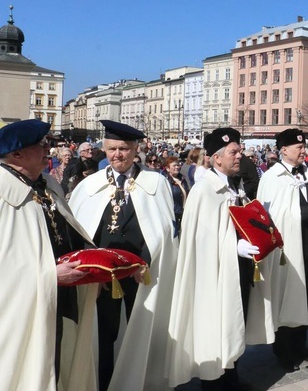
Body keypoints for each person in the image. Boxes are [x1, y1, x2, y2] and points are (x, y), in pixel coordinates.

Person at [69, 120, 178, 391]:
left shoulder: (155, 182)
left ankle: (139, 381)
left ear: (136, 149)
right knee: (103, 333)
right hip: (100, 277)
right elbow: (78, 231)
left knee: (141, 330)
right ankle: (103, 382)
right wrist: (92, 270)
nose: (118, 155)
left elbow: (164, 229)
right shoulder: (89, 185)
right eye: (112, 149)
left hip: (141, 274)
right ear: (104, 150)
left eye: (125, 149)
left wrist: (145, 263)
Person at [0, 119, 98, 390]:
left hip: (62, 297)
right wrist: (47, 276)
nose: (48, 149)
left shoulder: (48, 186)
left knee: (59, 363)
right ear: (16, 154)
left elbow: (71, 233)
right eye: (41, 145)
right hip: (19, 308)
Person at [167, 127, 262, 389]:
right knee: (217, 323)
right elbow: (201, 240)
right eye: (234, 152)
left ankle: (231, 376)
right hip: (215, 273)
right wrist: (234, 246)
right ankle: (214, 382)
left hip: (239, 268)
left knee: (234, 322)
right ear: (216, 158)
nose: (240, 155)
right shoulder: (205, 190)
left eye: (240, 150)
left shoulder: (236, 185)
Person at [256, 128, 308, 371]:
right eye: (298, 148)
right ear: (284, 150)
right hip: (287, 249)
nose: (303, 151)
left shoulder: (307, 173)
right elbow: (272, 216)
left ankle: (300, 344)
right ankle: (284, 350)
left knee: (305, 293)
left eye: (304, 147)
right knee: (287, 296)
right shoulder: (273, 177)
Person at [162, 156, 189, 236]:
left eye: (178, 165)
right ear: (167, 168)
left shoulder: (182, 179)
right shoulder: (165, 180)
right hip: (173, 215)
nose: (177, 167)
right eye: (174, 165)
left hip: (184, 214)